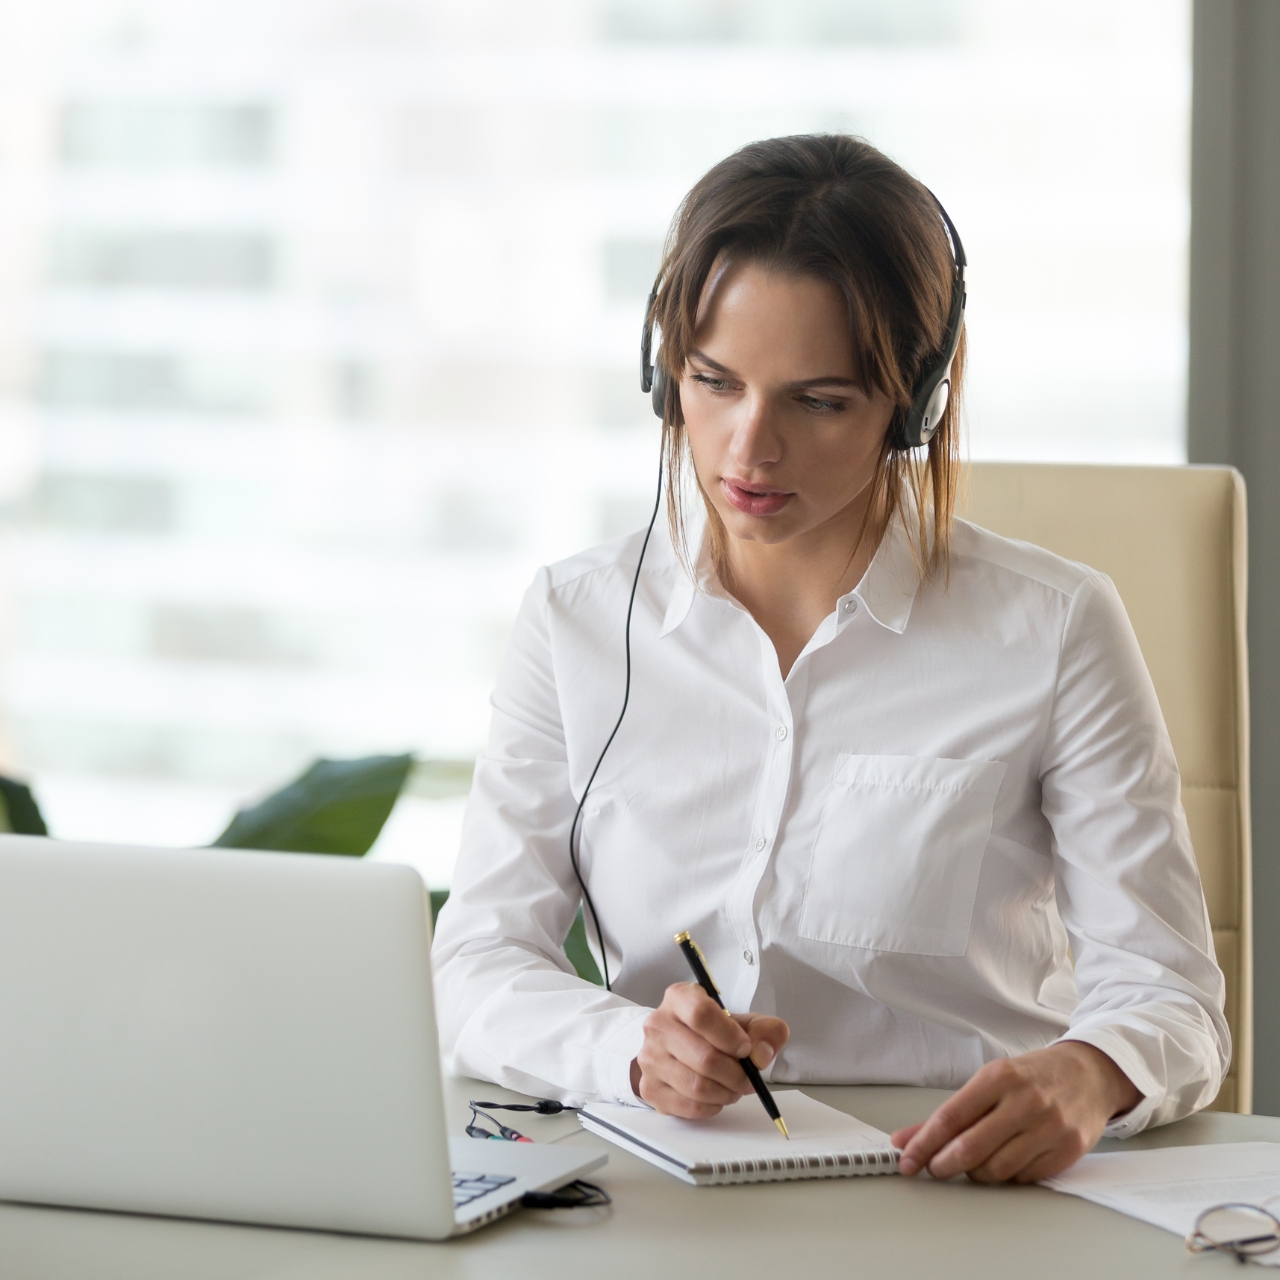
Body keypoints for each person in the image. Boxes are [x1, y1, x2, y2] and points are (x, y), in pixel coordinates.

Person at [432, 134, 1228, 1184]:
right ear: (661, 373)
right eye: (712, 382)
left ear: (911, 407)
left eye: (817, 402)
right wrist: (624, 1048)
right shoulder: (574, 619)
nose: (745, 451)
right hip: (664, 1193)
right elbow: (477, 961)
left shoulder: (1056, 627)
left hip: (950, 1190)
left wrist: (1088, 1070)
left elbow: (1167, 992)